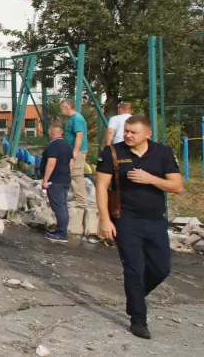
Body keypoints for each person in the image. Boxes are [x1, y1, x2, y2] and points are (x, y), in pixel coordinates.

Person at [96, 114, 184, 339]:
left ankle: (135, 296)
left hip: (155, 221)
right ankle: (138, 319)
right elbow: (101, 187)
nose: (127, 135)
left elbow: (177, 187)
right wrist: (104, 219)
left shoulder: (162, 153)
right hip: (126, 221)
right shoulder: (113, 152)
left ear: (148, 134)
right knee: (134, 269)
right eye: (126, 131)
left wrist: (150, 179)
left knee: (161, 269)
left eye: (133, 132)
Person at [39, 122, 73, 243]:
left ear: (51, 132)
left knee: (58, 206)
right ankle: (60, 229)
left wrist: (45, 180)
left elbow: (51, 162)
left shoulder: (53, 145)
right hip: (65, 179)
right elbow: (71, 164)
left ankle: (62, 233)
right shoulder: (67, 145)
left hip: (55, 180)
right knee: (62, 205)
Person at [61, 98, 88, 207]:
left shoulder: (77, 118)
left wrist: (75, 152)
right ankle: (77, 196)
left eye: (62, 108)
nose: (61, 111)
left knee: (76, 174)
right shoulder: (72, 118)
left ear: (67, 107)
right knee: (72, 173)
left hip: (78, 150)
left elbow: (79, 135)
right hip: (72, 150)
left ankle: (81, 200)